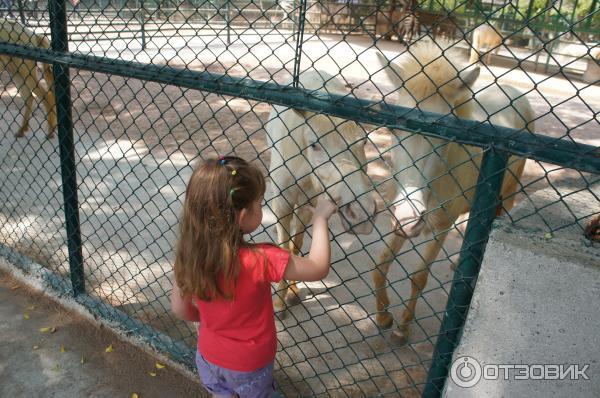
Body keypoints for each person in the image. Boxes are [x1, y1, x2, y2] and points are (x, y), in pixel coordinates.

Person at [170, 155, 337, 398]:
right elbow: (317, 267)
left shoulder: (187, 256)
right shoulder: (263, 258)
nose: (262, 207)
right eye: (259, 203)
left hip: (208, 359)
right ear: (241, 216)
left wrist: (207, 321)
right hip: (250, 367)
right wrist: (320, 221)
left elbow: (180, 309)